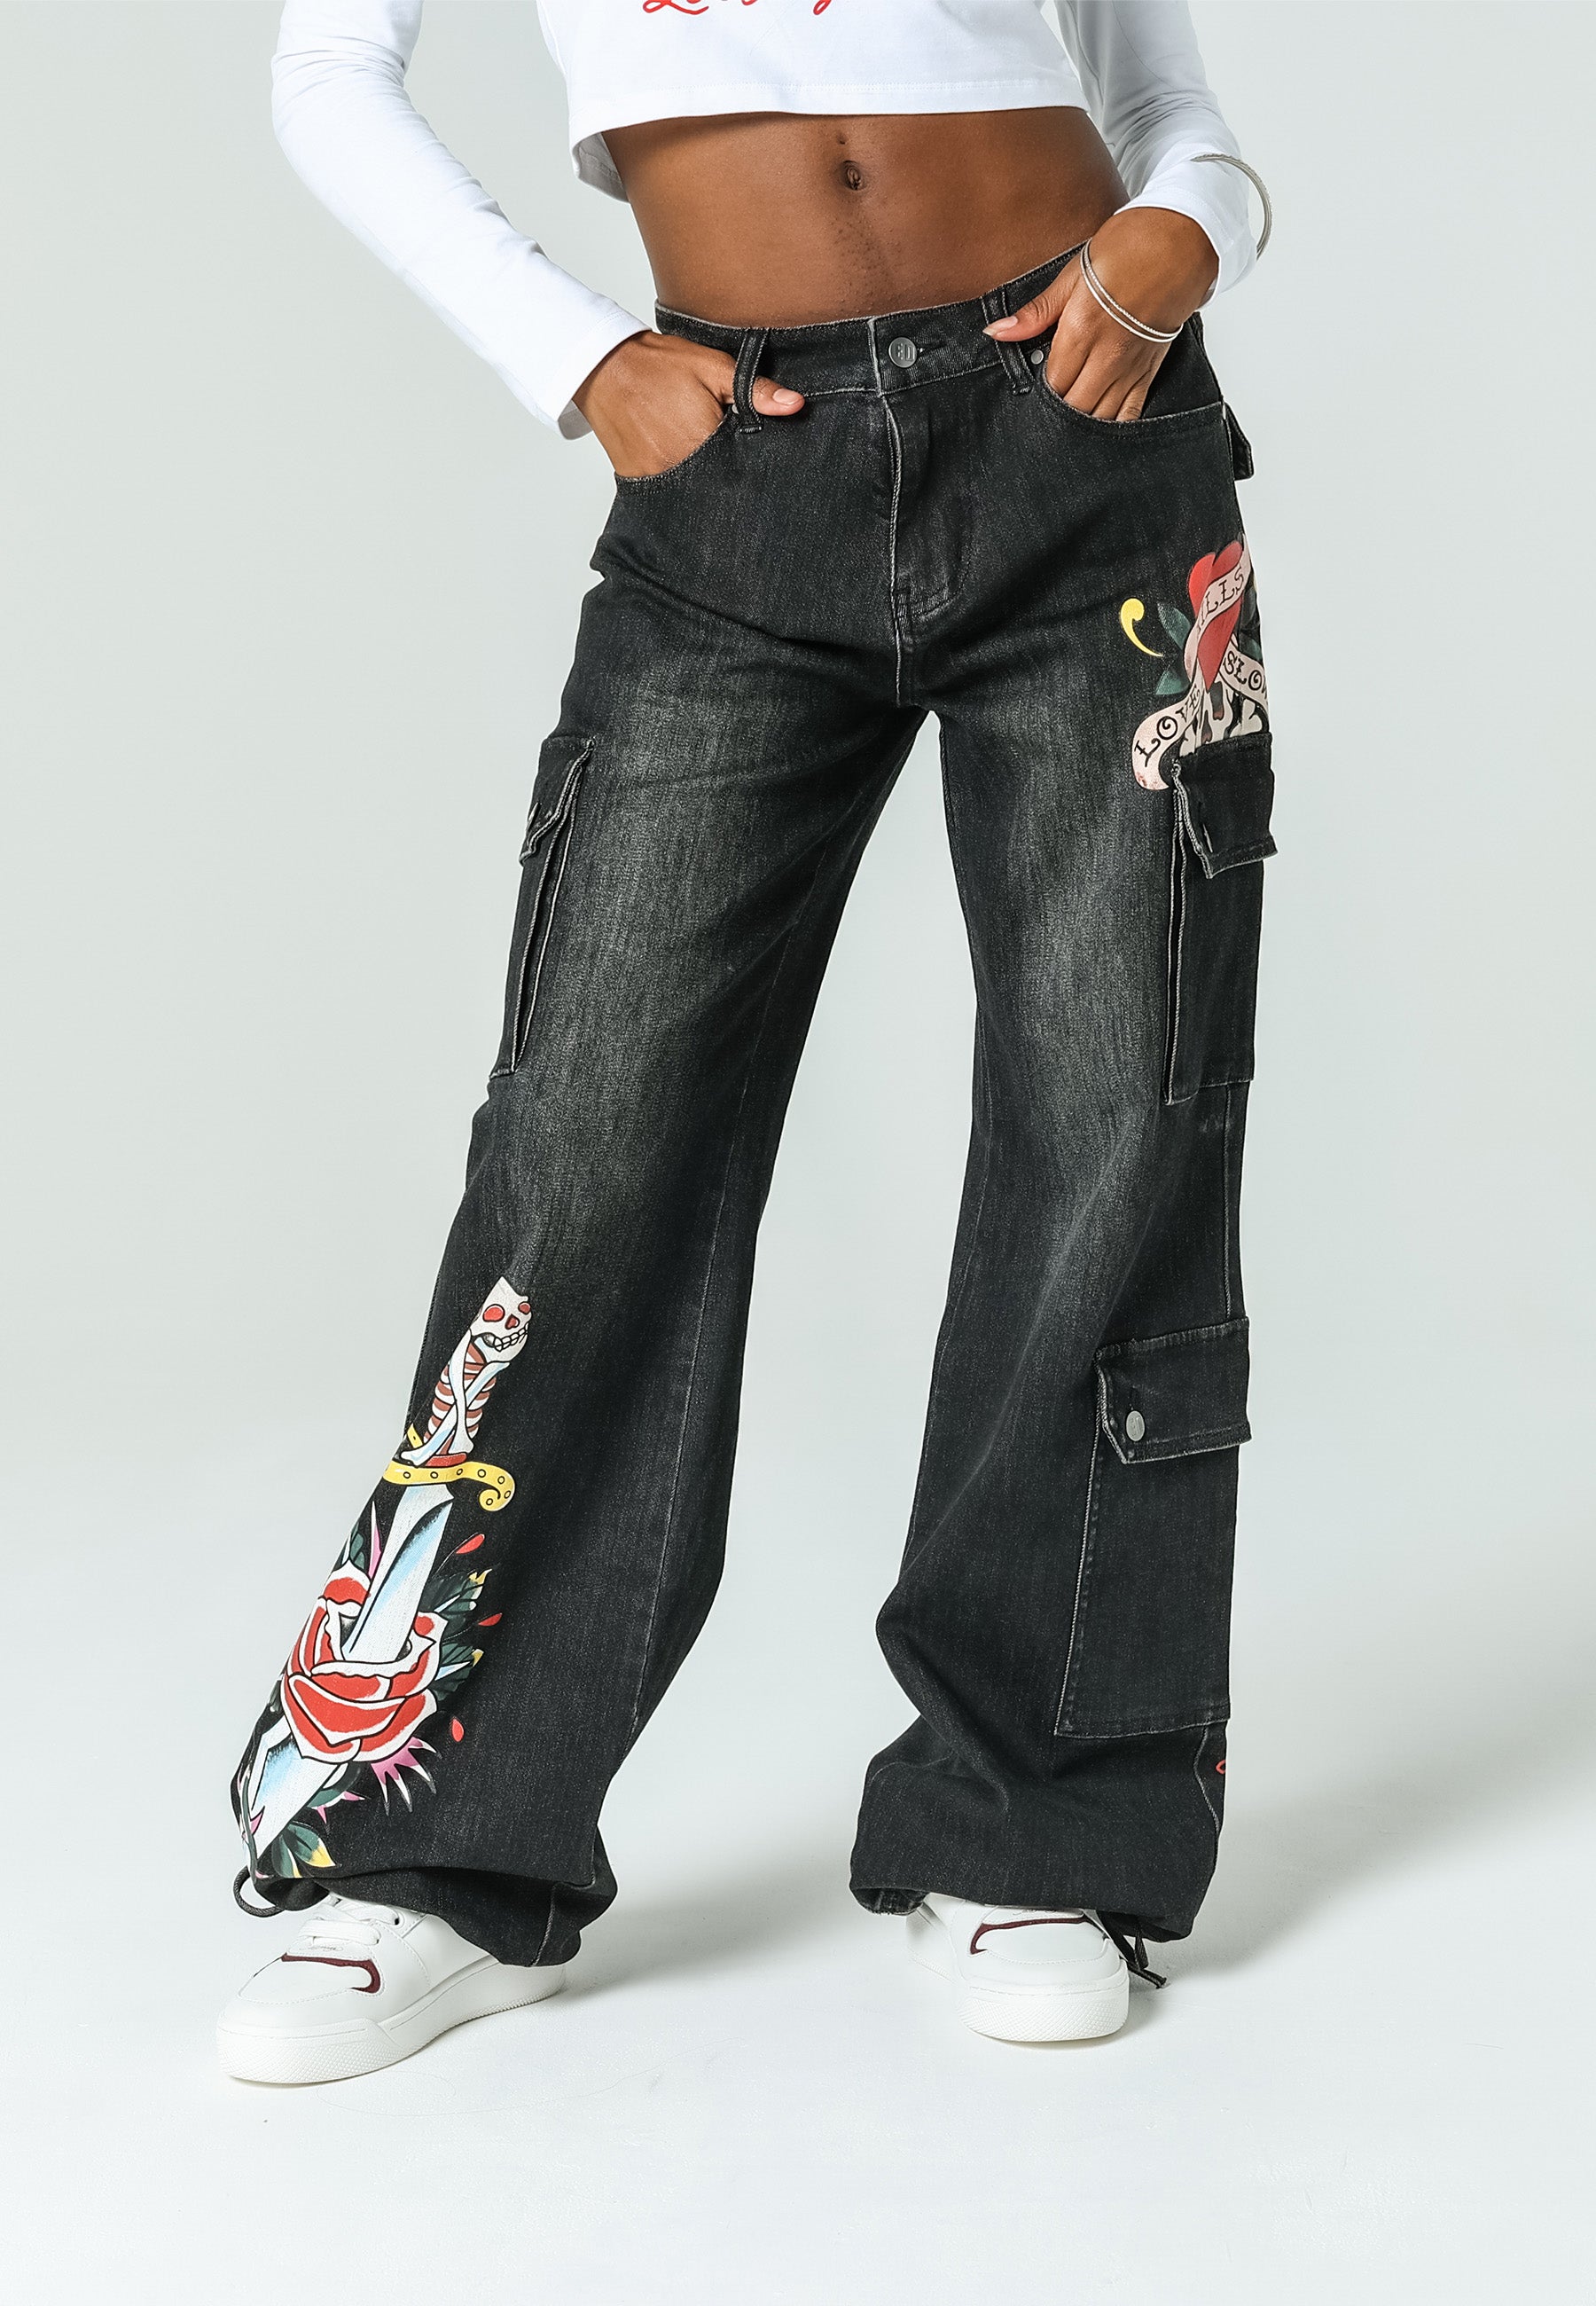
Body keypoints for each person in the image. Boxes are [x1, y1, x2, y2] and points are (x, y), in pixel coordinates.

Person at [220, 0, 1276, 2086]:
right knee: (586, 1141)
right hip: (733, 469)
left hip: (1091, 446)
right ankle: (441, 1847)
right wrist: (574, 357)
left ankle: (1037, 1822)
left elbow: (1171, 106)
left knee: (1114, 1119)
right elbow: (326, 66)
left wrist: (1185, 235)